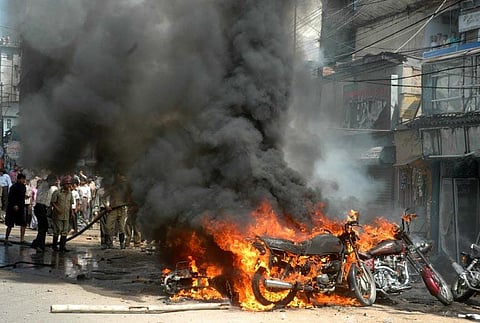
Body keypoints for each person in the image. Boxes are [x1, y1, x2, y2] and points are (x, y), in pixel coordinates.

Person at [103, 173, 132, 249]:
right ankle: (108, 243)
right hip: (113, 210)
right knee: (108, 227)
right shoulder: (113, 188)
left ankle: (122, 244)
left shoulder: (126, 190)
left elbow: (130, 198)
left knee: (121, 228)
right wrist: (106, 206)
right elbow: (103, 197)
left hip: (122, 210)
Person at [30, 175, 56, 252]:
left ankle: (36, 243)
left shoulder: (48, 186)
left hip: (42, 207)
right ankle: (40, 246)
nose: (55, 183)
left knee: (43, 227)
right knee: (43, 227)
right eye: (54, 181)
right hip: (40, 207)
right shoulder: (45, 185)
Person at [50, 175, 73, 252]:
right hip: (58, 215)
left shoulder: (70, 193)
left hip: (66, 215)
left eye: (69, 184)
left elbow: (70, 203)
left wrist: (72, 212)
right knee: (57, 230)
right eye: (67, 184)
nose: (69, 185)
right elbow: (52, 202)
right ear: (63, 184)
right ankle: (54, 246)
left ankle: (62, 247)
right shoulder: (57, 192)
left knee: (65, 231)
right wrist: (57, 209)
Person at [4, 173, 27, 245]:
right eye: (22, 179)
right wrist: (14, 205)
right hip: (12, 208)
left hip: (21, 207)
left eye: (24, 179)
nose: (24, 180)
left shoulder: (23, 187)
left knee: (23, 223)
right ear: (19, 179)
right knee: (10, 224)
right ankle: (6, 239)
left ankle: (22, 239)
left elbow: (22, 196)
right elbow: (10, 197)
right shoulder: (13, 187)